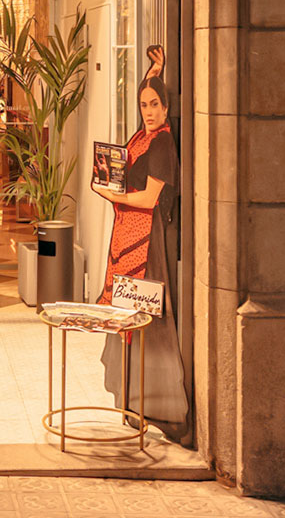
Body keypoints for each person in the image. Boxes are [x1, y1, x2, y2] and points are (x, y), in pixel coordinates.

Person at [90, 44, 192, 443]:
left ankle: (160, 407)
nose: (148, 111)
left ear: (166, 107)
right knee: (131, 319)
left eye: (154, 104)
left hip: (149, 245)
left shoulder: (163, 144)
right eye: (144, 104)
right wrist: (157, 67)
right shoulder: (141, 137)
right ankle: (136, 402)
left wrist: (113, 195)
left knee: (148, 321)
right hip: (131, 237)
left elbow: (149, 199)